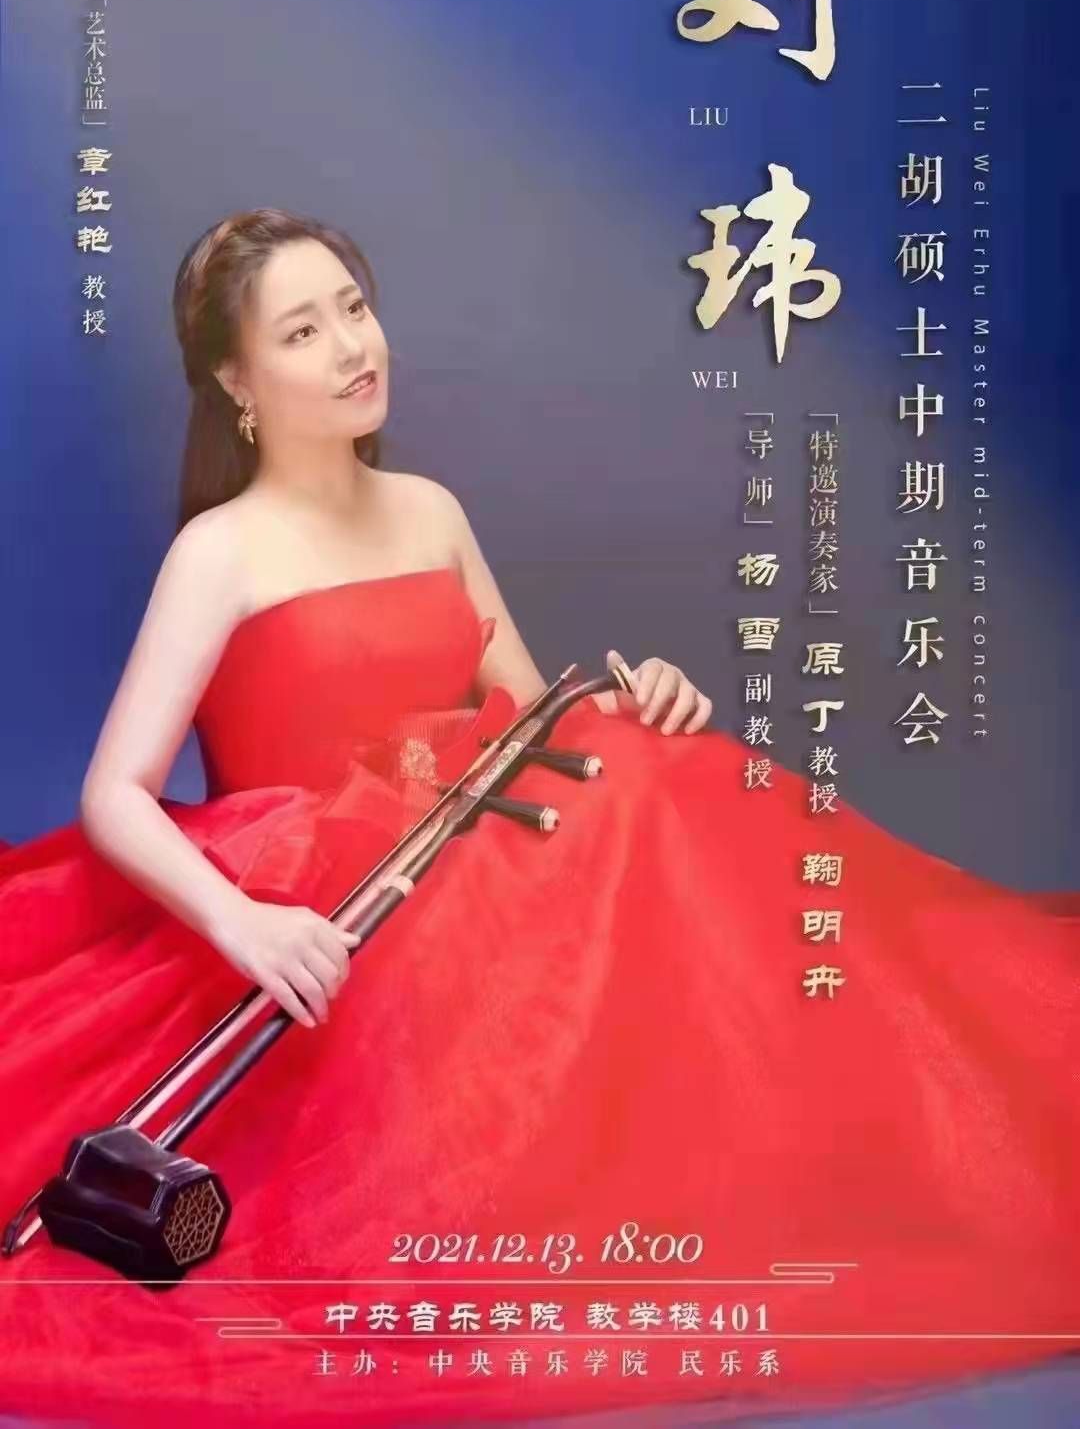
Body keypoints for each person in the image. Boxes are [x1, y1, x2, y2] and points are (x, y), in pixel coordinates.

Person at [0, 207, 1076, 1429]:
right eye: (302, 331)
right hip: (321, 916)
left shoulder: (430, 511)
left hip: (461, 872)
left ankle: (876, 1124)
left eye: (354, 307)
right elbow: (113, 794)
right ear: (238, 382)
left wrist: (632, 695)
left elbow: (531, 719)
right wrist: (244, 922)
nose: (353, 346)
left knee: (656, 771)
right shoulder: (222, 551)